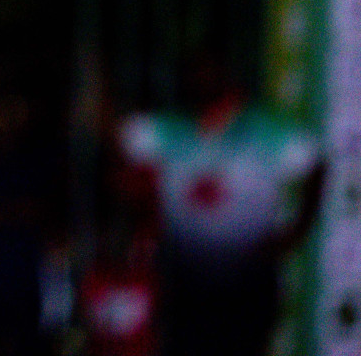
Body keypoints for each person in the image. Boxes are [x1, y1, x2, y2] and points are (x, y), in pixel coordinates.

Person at [118, 46, 324, 356]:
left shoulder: (265, 130)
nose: (199, 81)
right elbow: (121, 147)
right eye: (193, 75)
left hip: (248, 275)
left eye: (207, 73)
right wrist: (143, 213)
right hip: (185, 274)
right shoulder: (172, 128)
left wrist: (295, 232)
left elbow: (315, 164)